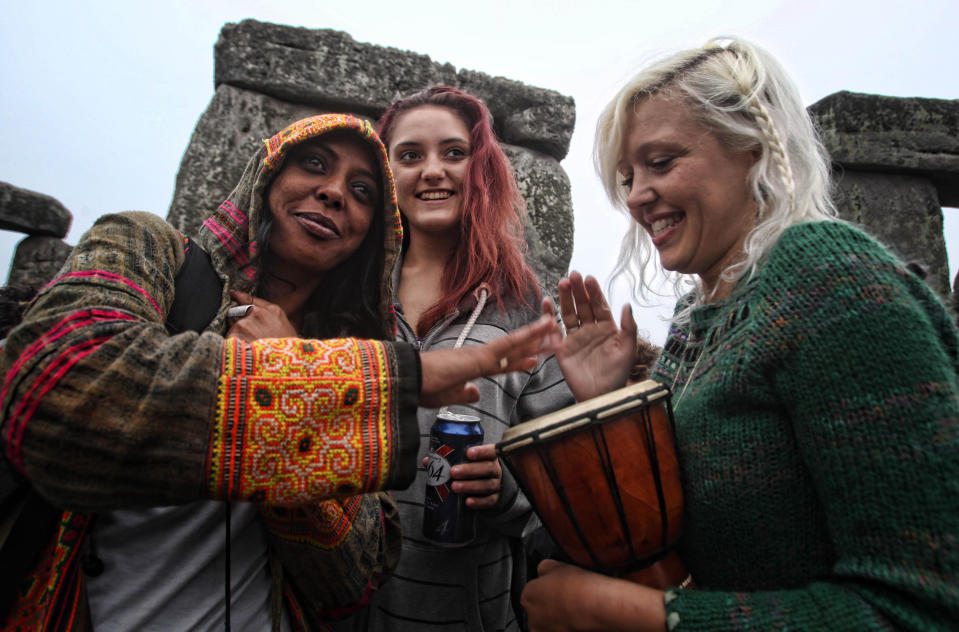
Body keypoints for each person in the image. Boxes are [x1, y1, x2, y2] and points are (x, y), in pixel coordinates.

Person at [0, 113, 556, 631]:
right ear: (265, 174)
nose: (335, 192)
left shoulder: (351, 344)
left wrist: (292, 362)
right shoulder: (148, 251)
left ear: (372, 233)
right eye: (313, 164)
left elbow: (356, 572)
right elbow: (56, 388)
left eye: (363, 191)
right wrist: (336, 388)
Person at [524, 38, 959, 631]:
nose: (636, 196)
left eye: (661, 161)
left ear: (752, 145)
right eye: (627, 176)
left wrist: (628, 613)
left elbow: (922, 606)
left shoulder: (830, 279)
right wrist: (609, 402)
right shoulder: (695, 316)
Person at [330, 87, 575, 631]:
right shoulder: (342, 294)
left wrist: (505, 492)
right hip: (333, 608)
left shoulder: (523, 310)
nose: (433, 170)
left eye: (454, 153)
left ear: (481, 167)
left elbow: (561, 498)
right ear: (386, 172)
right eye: (410, 155)